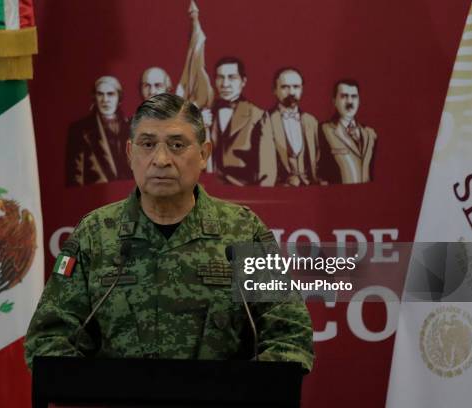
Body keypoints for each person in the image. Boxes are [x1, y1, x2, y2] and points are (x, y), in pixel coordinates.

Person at [26, 93, 313, 370]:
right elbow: (48, 339)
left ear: (204, 154)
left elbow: (289, 336)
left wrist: (236, 391)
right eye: (148, 144)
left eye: (177, 145)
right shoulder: (96, 233)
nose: (161, 159)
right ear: (130, 153)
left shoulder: (242, 230)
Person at [259, 68, 325, 187]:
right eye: (285, 87)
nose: (291, 92)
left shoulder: (311, 121)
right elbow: (265, 164)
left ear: (302, 89)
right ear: (274, 90)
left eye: (296, 87)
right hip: (280, 189)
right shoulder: (266, 120)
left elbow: (319, 159)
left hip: (310, 188)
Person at [206, 57, 264, 186]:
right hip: (209, 189)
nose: (225, 84)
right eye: (220, 77)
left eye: (231, 77)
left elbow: (266, 166)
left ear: (243, 81)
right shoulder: (204, 112)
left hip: (244, 189)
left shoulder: (258, 115)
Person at [65, 76, 131, 186]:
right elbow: (75, 178)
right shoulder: (79, 130)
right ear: (94, 97)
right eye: (100, 94)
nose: (105, 100)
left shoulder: (132, 126)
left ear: (119, 97)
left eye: (110, 94)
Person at [321, 79, 377, 184]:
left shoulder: (370, 134)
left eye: (354, 96)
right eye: (344, 96)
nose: (350, 102)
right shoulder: (323, 130)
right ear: (334, 101)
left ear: (359, 101)